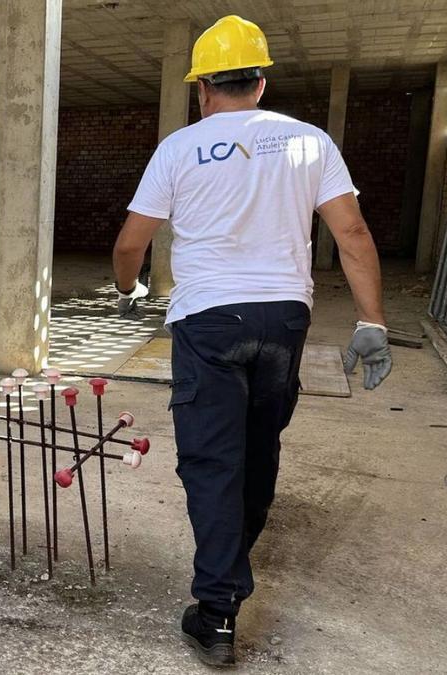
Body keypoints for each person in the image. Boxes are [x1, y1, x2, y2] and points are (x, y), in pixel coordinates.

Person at [109, 15, 393, 667]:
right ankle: (230, 572)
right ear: (260, 83)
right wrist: (372, 321)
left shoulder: (179, 150)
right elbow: (352, 235)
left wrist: (128, 289)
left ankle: (216, 611)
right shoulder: (309, 142)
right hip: (283, 320)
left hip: (209, 320)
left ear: (203, 88)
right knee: (258, 448)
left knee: (212, 459)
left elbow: (132, 244)